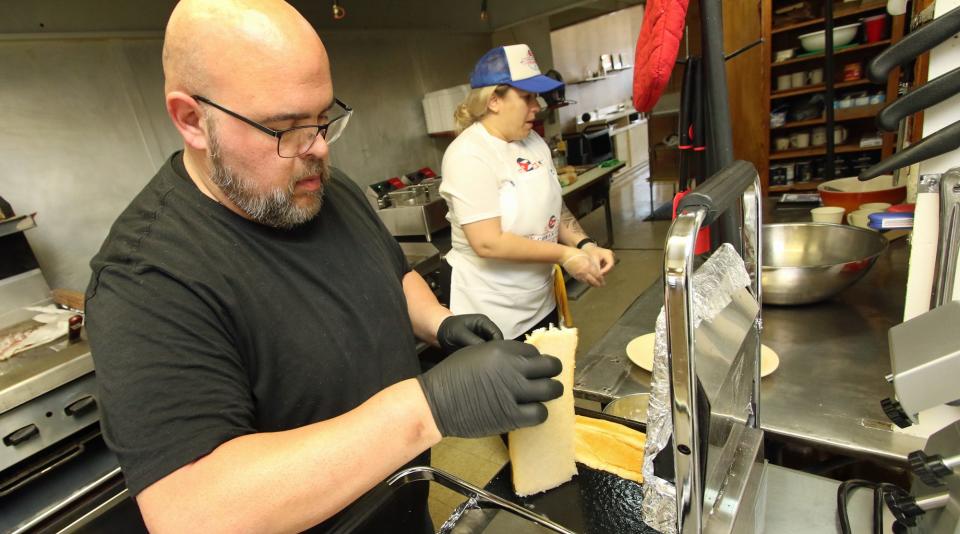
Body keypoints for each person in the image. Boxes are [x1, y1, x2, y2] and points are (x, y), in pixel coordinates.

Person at [84, 1, 563, 532]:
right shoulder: (147, 276)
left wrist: (437, 321)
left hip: (401, 510)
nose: (316, 148)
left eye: (323, 118)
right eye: (286, 127)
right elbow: (193, 511)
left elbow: (388, 273)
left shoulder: (321, 187)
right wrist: (429, 407)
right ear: (193, 120)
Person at [440, 45, 616, 340]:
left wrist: (584, 243)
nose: (538, 106)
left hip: (539, 299)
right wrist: (564, 254)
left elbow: (552, 207)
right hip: (492, 312)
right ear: (494, 100)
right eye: (527, 97)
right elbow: (488, 243)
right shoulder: (468, 154)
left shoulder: (533, 141)